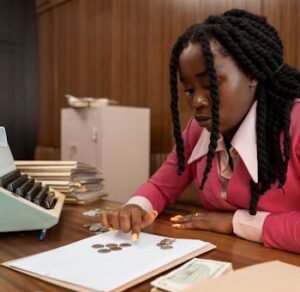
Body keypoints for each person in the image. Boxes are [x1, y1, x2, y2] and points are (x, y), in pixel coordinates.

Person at [100, 9, 300, 254]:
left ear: (252, 74)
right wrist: (137, 205)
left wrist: (235, 222)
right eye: (189, 90)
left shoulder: (296, 125)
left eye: (211, 85)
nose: (197, 101)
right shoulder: (198, 129)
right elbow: (162, 185)